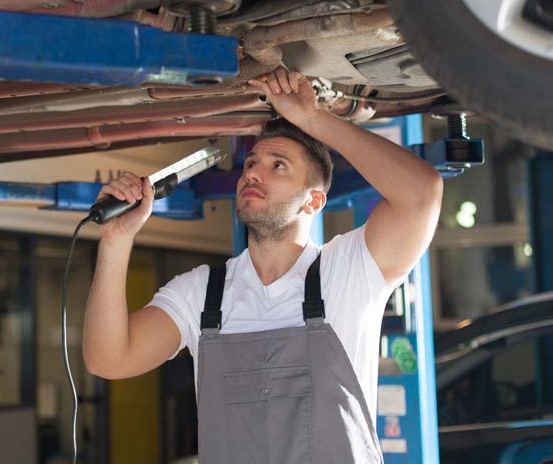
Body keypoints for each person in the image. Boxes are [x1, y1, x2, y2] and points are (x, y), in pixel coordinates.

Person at [83, 68, 443, 463]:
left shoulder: (348, 271)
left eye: (278, 165)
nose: (252, 172)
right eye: (251, 163)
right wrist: (116, 240)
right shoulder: (203, 295)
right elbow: (108, 358)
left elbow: (422, 192)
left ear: (313, 201)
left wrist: (312, 118)